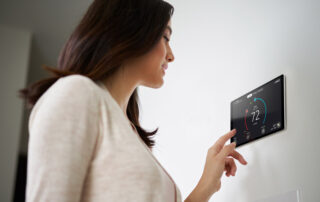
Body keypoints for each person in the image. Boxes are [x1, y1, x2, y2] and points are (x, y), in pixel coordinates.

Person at [19, 0, 247, 201]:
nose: (171, 55)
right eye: (165, 37)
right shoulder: (76, 93)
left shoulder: (129, 131)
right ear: (130, 31)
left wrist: (206, 186)